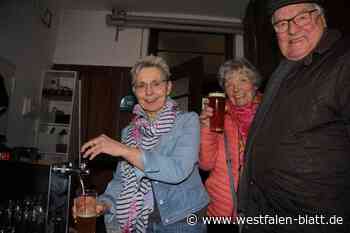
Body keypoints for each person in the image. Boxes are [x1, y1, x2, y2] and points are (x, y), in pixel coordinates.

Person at [238, 1, 350, 233]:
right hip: (268, 215)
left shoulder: (343, 62)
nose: (291, 29)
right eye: (281, 23)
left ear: (322, 18)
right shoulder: (284, 71)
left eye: (302, 18)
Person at [74, 55, 209, 233]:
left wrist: (124, 150)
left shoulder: (187, 121)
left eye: (156, 84)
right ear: (134, 91)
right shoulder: (129, 132)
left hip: (182, 221)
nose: (149, 92)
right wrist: (102, 203)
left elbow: (177, 170)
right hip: (140, 224)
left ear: (168, 87)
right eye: (141, 85)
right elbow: (121, 180)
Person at [199, 58, 262, 218]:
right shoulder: (220, 118)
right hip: (221, 210)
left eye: (242, 80)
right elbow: (205, 165)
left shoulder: (271, 115)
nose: (235, 89)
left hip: (262, 209)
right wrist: (207, 127)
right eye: (229, 84)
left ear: (255, 84)